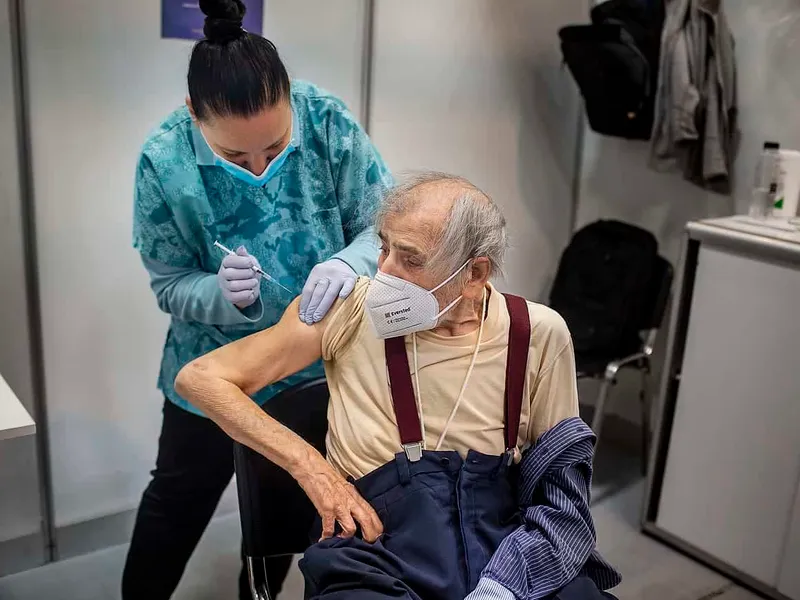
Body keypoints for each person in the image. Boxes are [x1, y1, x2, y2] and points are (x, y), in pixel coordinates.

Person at [175, 173, 621, 600]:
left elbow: (562, 496)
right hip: (375, 551)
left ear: (474, 274)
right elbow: (201, 379)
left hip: (501, 545)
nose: (383, 273)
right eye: (384, 247)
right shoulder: (346, 310)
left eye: (410, 259)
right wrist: (312, 467)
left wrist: (504, 587)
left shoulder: (536, 333)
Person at [122, 0, 392, 596]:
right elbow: (169, 285)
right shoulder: (163, 160)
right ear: (195, 115)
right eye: (235, 158)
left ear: (290, 102)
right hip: (213, 373)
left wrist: (353, 259)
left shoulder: (327, 124)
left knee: (278, 522)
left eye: (274, 150)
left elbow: (385, 227)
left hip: (309, 367)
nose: (260, 169)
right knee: (176, 501)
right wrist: (216, 295)